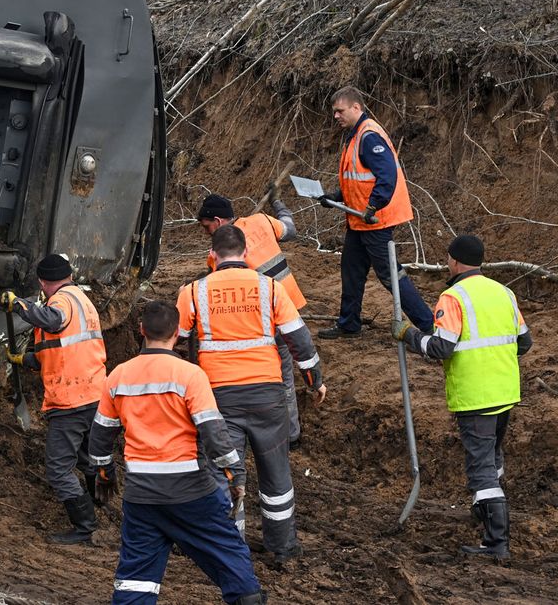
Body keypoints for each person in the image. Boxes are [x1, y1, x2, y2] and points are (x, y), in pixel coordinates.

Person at [89, 301, 264, 605]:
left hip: (141, 496)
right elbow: (214, 433)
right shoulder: (189, 375)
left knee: (136, 577)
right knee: (228, 553)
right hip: (191, 492)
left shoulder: (117, 376)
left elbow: (101, 435)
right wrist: (235, 474)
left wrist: (104, 472)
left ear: (141, 330)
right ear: (177, 333)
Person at [176, 225, 327, 566]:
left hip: (217, 399)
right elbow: (298, 339)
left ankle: (228, 546)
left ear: (212, 255)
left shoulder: (194, 291)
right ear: (245, 254)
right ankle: (283, 547)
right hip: (267, 396)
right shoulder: (269, 288)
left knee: (224, 472)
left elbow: (170, 341)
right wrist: (313, 379)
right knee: (276, 473)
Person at [394, 234, 532, 559]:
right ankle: (486, 511)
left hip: (475, 397)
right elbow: (523, 343)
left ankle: (497, 543)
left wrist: (409, 334)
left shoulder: (453, 297)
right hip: (506, 393)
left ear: (454, 261)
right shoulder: (504, 293)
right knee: (493, 458)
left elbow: (441, 347)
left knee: (481, 468)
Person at [0, 253, 109, 545]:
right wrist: (26, 359)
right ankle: (104, 508)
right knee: (89, 459)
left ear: (42, 282)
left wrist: (20, 305)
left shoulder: (60, 301)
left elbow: (52, 320)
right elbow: (64, 349)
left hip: (71, 399)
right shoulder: (82, 301)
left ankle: (85, 527)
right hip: (95, 395)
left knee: (59, 468)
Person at [319, 86, 433, 339]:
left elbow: (387, 176)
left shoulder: (369, 136)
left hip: (375, 220)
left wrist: (372, 207)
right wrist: (335, 197)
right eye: (334, 112)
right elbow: (358, 179)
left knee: (390, 275)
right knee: (351, 269)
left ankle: (429, 326)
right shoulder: (356, 134)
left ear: (356, 107)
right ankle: (349, 323)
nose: (336, 116)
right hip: (359, 219)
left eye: (340, 111)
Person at [197, 191, 307, 448]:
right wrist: (278, 204)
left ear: (218, 221)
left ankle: (257, 433)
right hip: (289, 311)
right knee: (286, 377)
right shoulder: (261, 221)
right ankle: (292, 435)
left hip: (261, 324)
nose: (206, 232)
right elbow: (290, 229)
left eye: (207, 226)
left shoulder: (216, 255)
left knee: (268, 377)